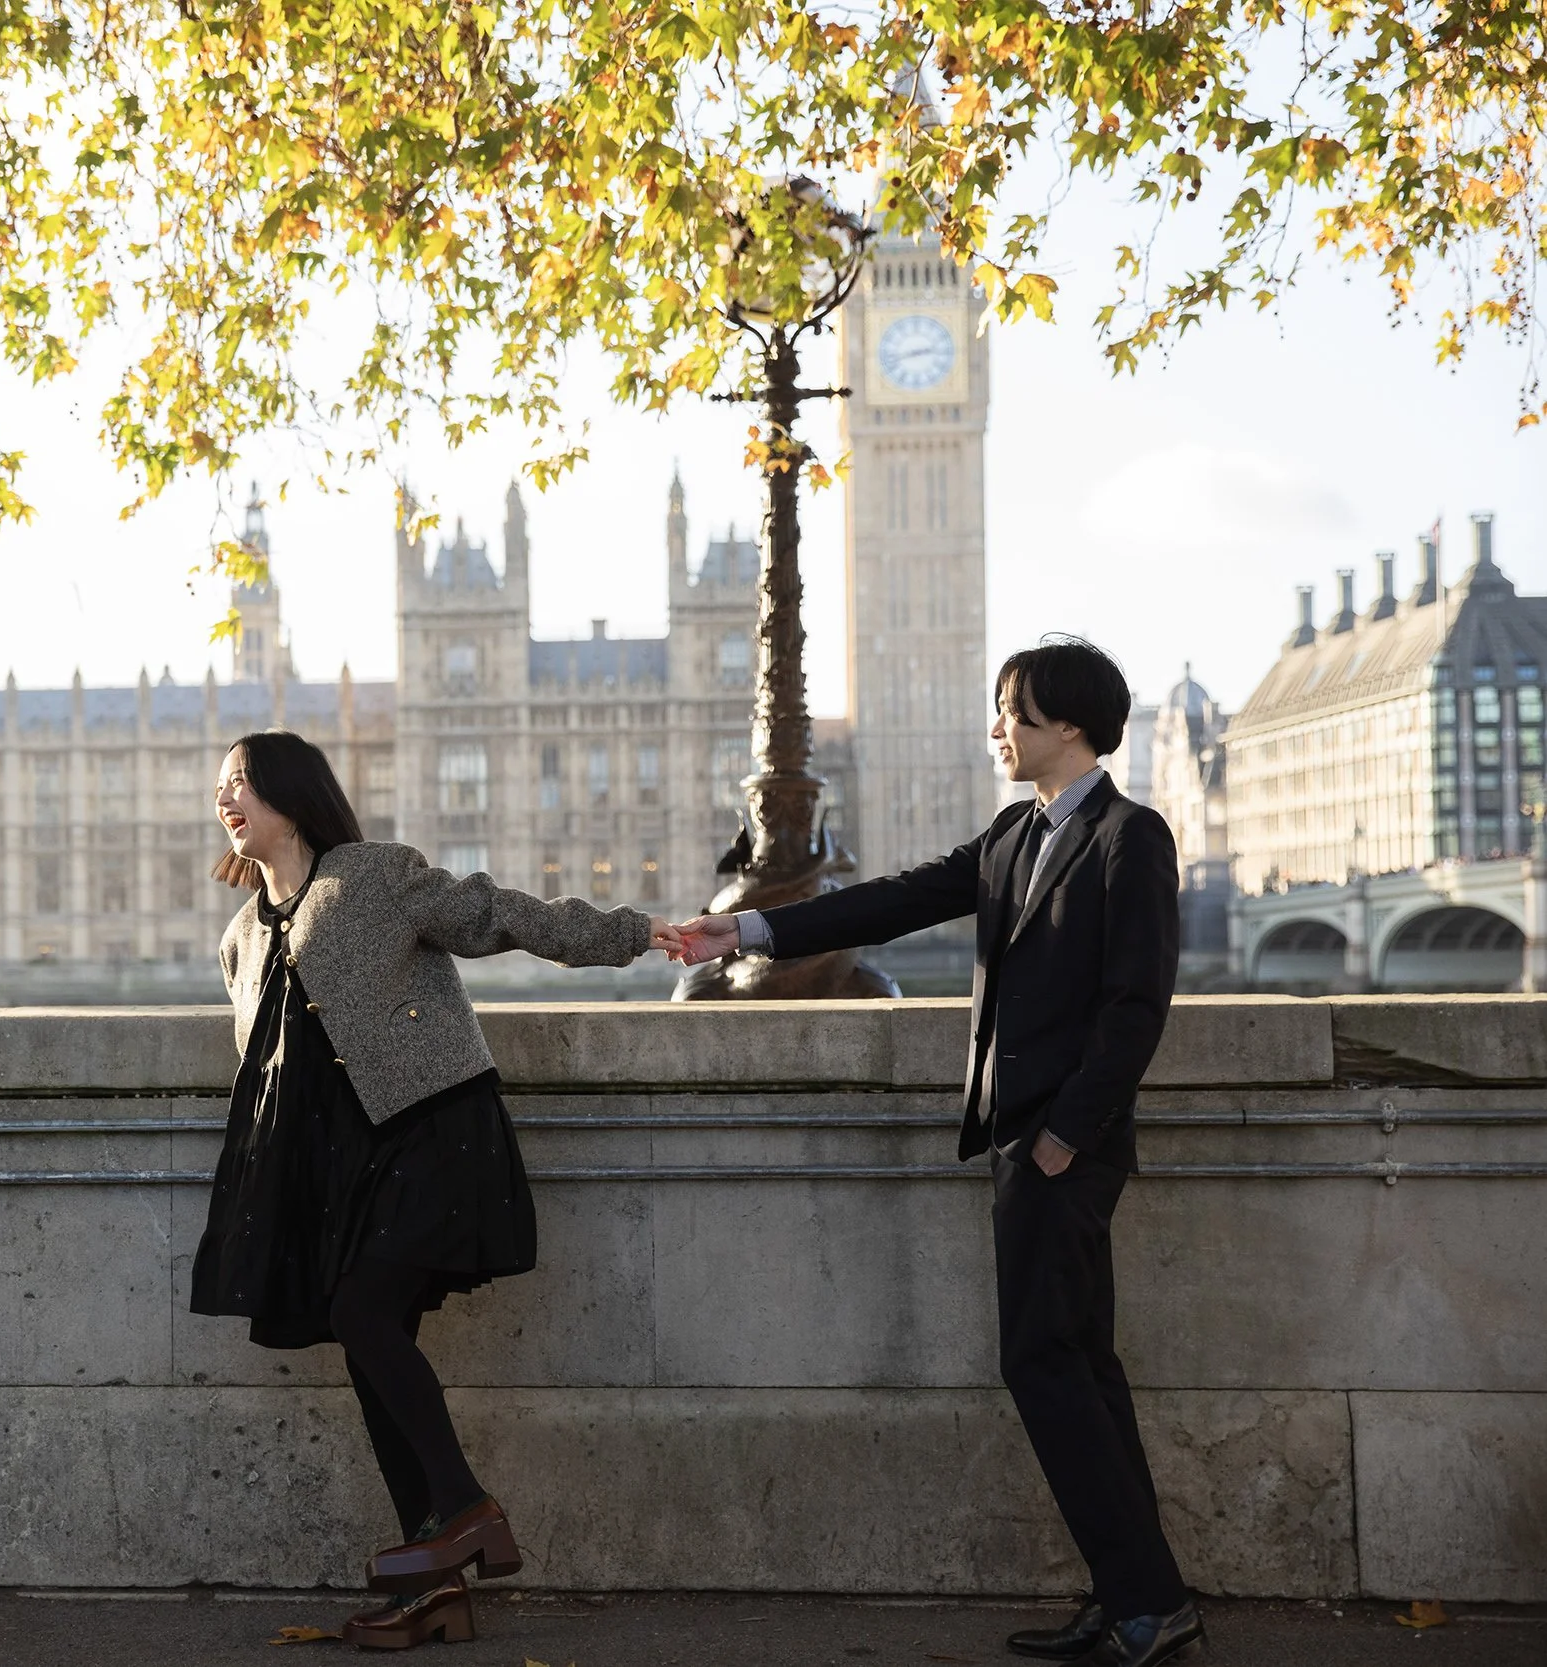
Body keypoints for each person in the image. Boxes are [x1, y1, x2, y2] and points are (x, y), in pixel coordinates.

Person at [679, 637, 1201, 1667]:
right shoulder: (1018, 832)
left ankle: (1145, 1600)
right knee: (1080, 1367)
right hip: (1019, 1138)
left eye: (1010, 709)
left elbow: (1137, 1006)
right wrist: (741, 934)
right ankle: (1138, 1594)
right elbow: (891, 898)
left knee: (1045, 1361)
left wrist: (1061, 1135)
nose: (995, 726)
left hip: (1061, 1147)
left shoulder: (1129, 837)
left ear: (1068, 723)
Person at [190, 729, 692, 1651]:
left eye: (244, 784)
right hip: (342, 1170)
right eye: (220, 787)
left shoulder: (373, 875)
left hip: (430, 1133)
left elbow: (492, 914)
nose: (227, 800)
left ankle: (462, 1508)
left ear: (292, 796)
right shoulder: (237, 941)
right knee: (367, 1342)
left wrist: (630, 932)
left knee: (365, 1312)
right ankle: (437, 1584)